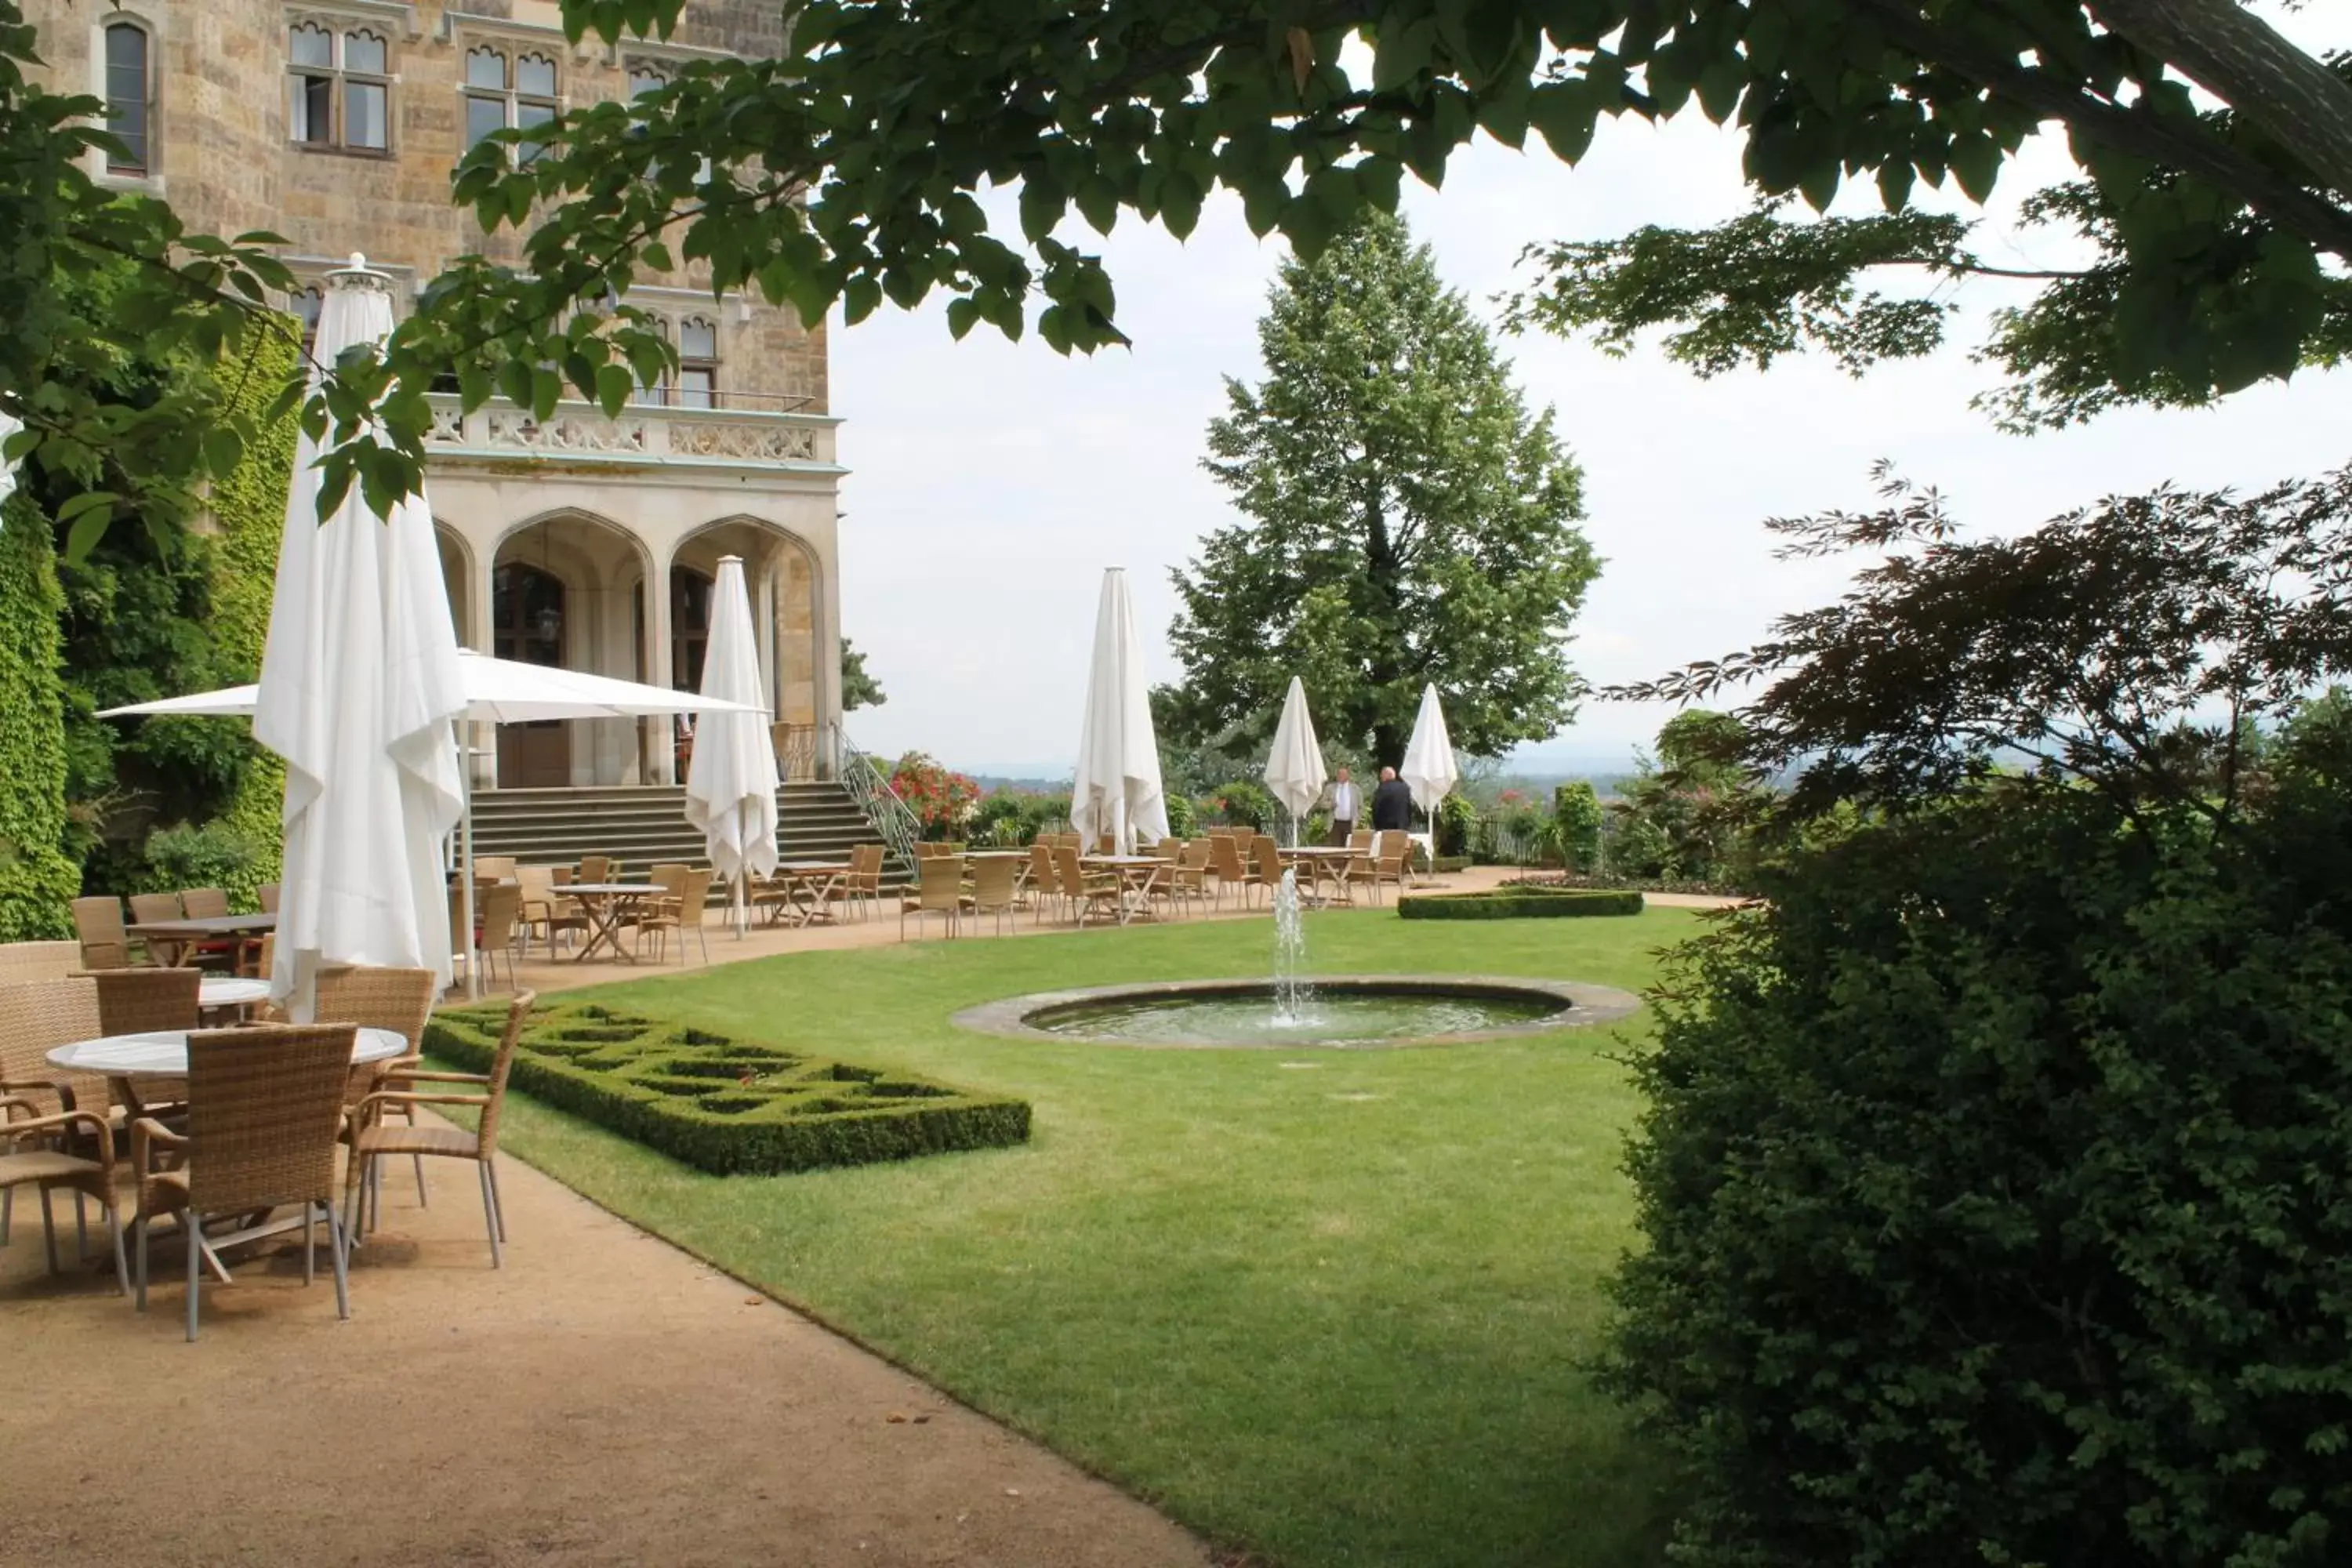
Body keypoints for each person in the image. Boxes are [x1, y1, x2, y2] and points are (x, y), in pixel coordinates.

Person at [1370, 765, 1413, 833]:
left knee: (1389, 843)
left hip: (1386, 827)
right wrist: (1408, 824)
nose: (1381, 777)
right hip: (1403, 826)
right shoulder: (1405, 788)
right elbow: (1409, 807)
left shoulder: (1382, 789)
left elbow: (1376, 808)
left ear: (1386, 775)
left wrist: (1376, 826)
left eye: (1381, 775)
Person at [1327, 767, 1360, 845]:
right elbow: (1322, 802)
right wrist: (1331, 805)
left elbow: (1360, 806)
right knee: (1335, 848)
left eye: (1343, 774)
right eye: (1339, 774)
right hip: (1335, 823)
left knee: (1349, 847)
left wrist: (1357, 819)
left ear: (1348, 776)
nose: (1340, 776)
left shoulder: (1355, 789)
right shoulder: (1330, 788)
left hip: (1349, 824)